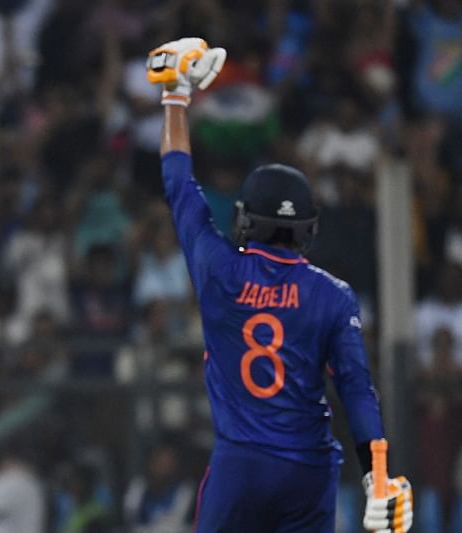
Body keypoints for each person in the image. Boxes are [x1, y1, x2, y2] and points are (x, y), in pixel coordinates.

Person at [145, 38, 413, 532]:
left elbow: (179, 182)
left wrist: (175, 100)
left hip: (239, 465)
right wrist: (378, 475)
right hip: (308, 470)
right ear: (308, 228)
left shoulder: (216, 268)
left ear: (246, 221)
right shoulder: (333, 295)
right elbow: (356, 388)